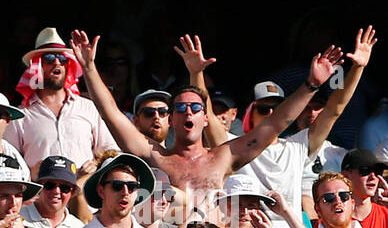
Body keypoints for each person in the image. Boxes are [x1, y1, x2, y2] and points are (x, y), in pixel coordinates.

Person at [71, 28, 340, 196]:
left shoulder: (224, 155)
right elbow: (111, 114)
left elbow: (276, 124)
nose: (188, 113)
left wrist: (311, 85)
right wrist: (89, 68)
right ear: (172, 118)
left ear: (204, 117)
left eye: (196, 107)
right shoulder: (154, 154)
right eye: (180, 108)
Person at [1, 28, 117, 172]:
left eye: (63, 59)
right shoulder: (20, 116)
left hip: (84, 192)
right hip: (43, 193)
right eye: (49, 58)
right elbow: (7, 163)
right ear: (37, 66)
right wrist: (31, 171)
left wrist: (96, 163)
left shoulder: (89, 108)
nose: (57, 63)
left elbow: (111, 152)